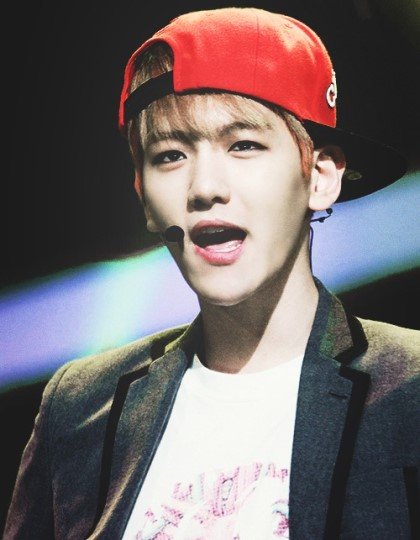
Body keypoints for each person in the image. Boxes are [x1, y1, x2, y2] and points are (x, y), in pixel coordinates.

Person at [3, 6, 419, 539]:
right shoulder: (81, 407)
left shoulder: (409, 390)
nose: (203, 187)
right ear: (143, 196)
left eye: (243, 145)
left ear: (319, 176)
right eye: (169, 155)